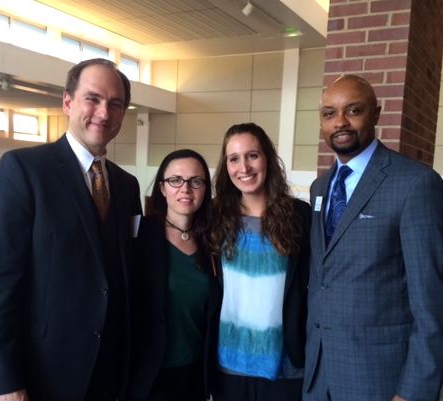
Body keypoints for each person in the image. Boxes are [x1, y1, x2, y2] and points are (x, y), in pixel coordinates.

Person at [0, 58, 142, 401]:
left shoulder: (127, 186)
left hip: (108, 375)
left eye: (115, 104)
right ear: (68, 102)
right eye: (93, 98)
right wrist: (4, 383)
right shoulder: (24, 170)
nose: (104, 112)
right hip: (41, 375)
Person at [303, 74, 443, 401]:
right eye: (329, 113)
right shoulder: (320, 188)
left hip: (379, 380)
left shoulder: (415, 184)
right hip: (319, 375)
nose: (340, 122)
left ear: (376, 115)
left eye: (354, 110)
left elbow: (433, 302)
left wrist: (414, 391)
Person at [207, 123, 311, 401]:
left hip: (285, 367)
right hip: (227, 364)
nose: (244, 167)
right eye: (234, 159)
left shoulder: (299, 215)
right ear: (226, 166)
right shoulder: (214, 216)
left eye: (252, 155)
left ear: (267, 158)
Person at [127, 149, 212, 401]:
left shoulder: (213, 240)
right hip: (150, 375)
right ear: (162, 188)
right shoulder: (139, 236)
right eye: (175, 180)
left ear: (205, 189)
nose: (185, 189)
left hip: (196, 371)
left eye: (195, 181)